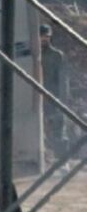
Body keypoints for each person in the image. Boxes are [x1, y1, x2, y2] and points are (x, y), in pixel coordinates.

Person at [41, 24, 71, 157]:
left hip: (54, 98)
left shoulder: (57, 55)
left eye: (46, 36)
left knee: (59, 131)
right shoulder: (34, 56)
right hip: (39, 99)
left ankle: (63, 162)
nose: (44, 39)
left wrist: (63, 101)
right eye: (41, 36)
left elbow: (63, 80)